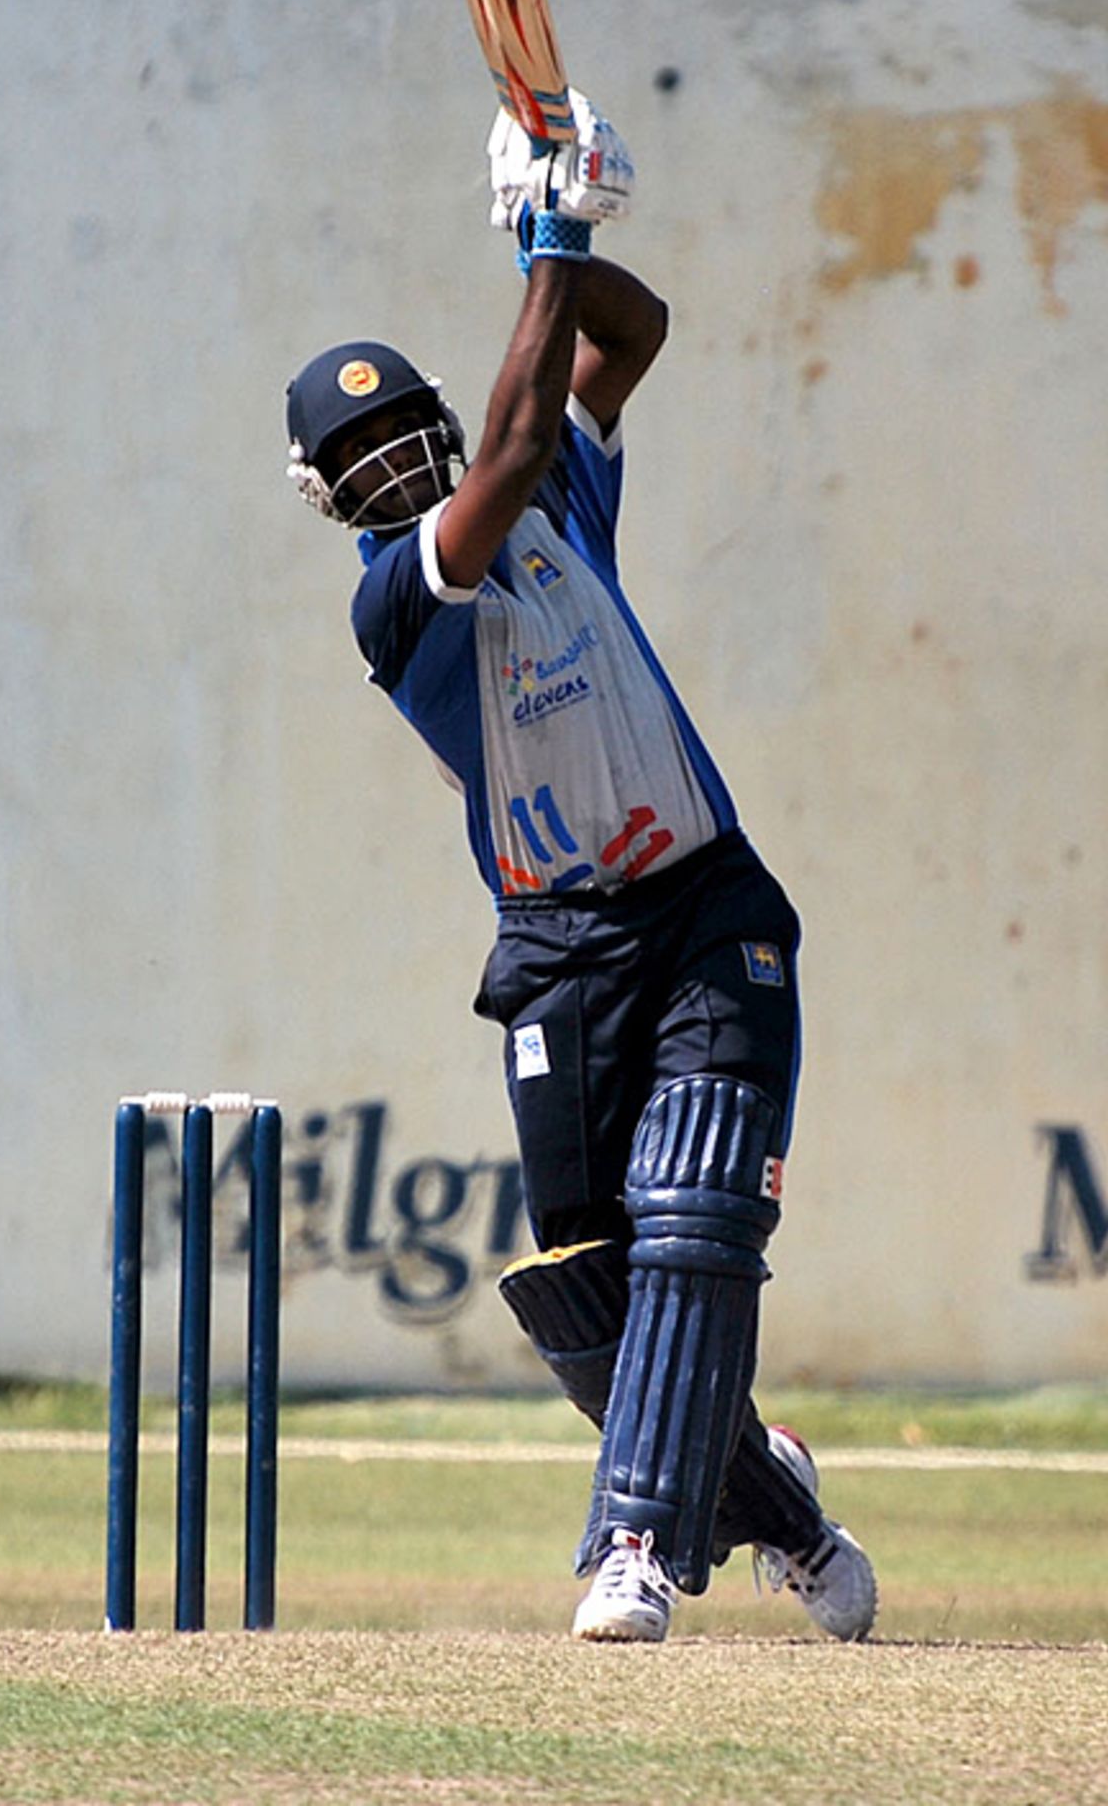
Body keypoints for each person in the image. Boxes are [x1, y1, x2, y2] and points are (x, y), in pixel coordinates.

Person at [284, 96, 877, 1644]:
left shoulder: (560, 499)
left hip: (705, 905)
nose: (390, 461)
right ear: (330, 499)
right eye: (356, 457)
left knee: (698, 1219)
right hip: (558, 949)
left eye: (401, 429)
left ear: (438, 419)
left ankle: (634, 1548)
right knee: (590, 1299)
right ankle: (783, 1509)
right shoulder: (398, 602)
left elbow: (631, 334)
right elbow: (518, 434)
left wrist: (560, 240)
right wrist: (548, 233)